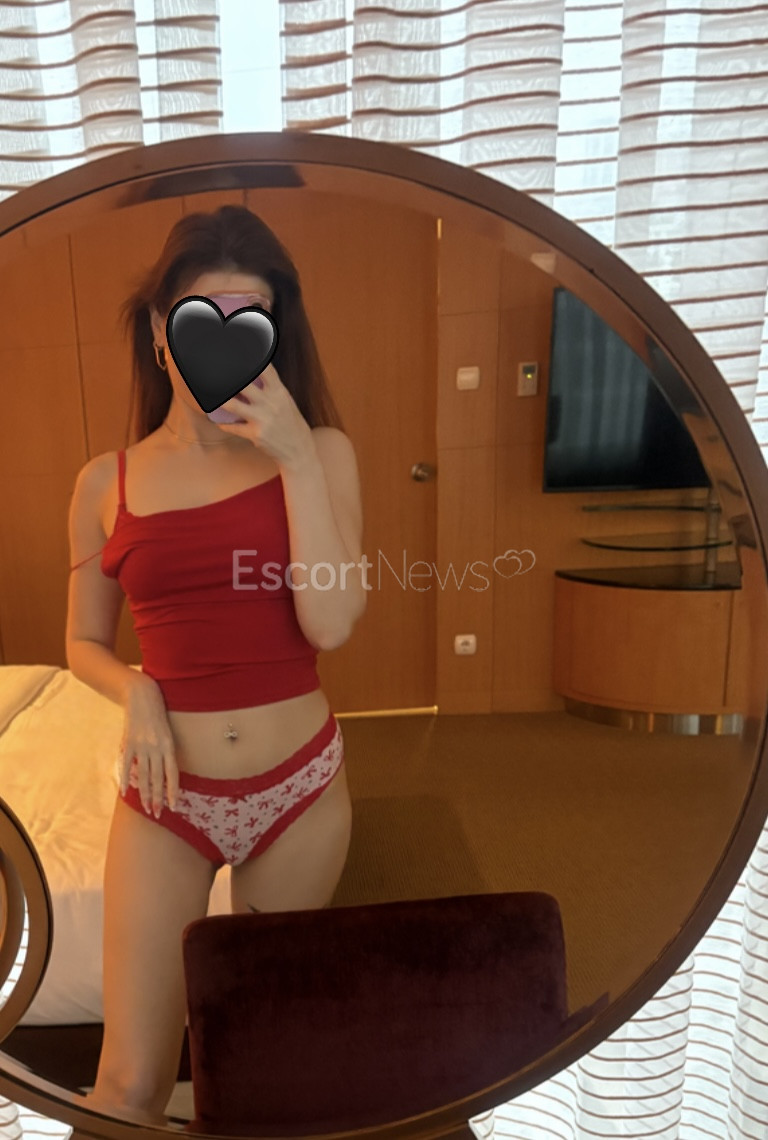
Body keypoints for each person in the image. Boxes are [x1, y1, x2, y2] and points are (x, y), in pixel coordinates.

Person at [65, 205, 366, 1125]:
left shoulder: (322, 453)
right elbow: (82, 643)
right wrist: (137, 692)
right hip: (167, 799)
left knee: (261, 1070)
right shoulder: (103, 482)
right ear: (162, 332)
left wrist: (295, 459)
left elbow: (330, 624)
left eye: (253, 321)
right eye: (202, 319)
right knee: (127, 1086)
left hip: (300, 791)